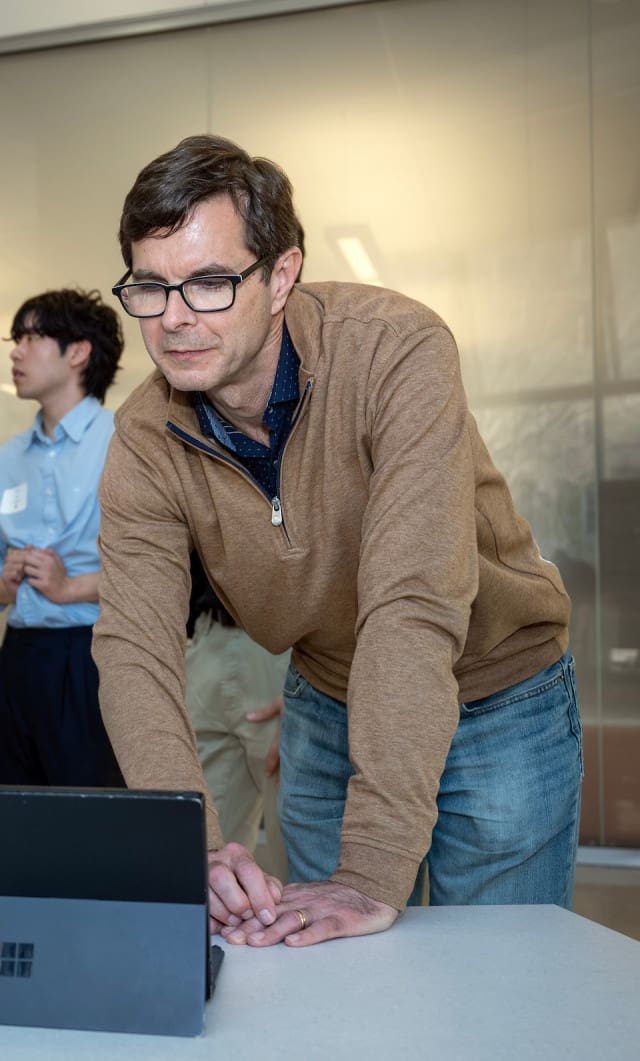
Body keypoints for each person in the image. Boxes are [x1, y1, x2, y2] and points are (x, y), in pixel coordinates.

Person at [94, 133, 579, 949]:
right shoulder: (145, 438)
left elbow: (411, 601)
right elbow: (133, 649)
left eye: (210, 283)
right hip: (329, 698)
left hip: (498, 691)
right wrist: (194, 846)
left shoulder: (397, 350)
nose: (173, 319)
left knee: (497, 976)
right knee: (335, 982)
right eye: (150, 288)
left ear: (281, 274)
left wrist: (374, 864)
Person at [0, 289, 125, 787]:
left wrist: (71, 588)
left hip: (93, 656)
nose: (16, 351)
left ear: (78, 352)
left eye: (31, 337)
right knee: (19, 822)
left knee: (90, 834)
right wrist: (2, 582)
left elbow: (164, 572)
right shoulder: (2, 461)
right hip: (18, 658)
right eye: (15, 339)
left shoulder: (126, 442)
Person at [184, 554, 289, 882]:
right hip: (206, 633)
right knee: (200, 866)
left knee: (303, 864)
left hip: (288, 645)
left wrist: (312, 687)